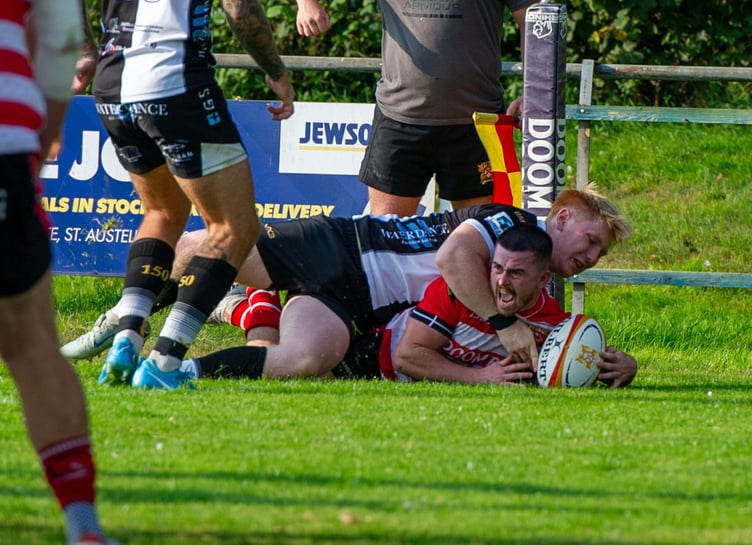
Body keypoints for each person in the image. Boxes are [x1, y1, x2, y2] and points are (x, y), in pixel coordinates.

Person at [72, 0, 297, 389]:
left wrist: (84, 51)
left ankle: (127, 337)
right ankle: (165, 361)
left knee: (161, 213)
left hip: (113, 85)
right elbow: (239, 8)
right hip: (173, 82)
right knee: (234, 228)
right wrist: (276, 71)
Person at [183, 225, 637, 388]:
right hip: (368, 356)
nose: (499, 280)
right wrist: (481, 377)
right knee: (302, 364)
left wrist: (623, 366)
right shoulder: (458, 289)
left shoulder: (552, 321)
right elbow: (407, 356)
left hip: (343, 307)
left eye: (515, 274)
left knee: (287, 354)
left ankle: (251, 309)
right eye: (496, 267)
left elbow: (574, 360)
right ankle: (248, 309)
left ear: (543, 281)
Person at [0, 0, 119, 543]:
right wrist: (46, 126)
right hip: (8, 134)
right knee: (33, 349)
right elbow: (59, 32)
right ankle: (83, 525)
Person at [359, 0, 539, 217]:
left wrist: (535, 90)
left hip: (477, 121)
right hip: (400, 118)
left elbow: (535, 20)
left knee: (481, 235)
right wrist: (308, 5)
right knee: (385, 236)